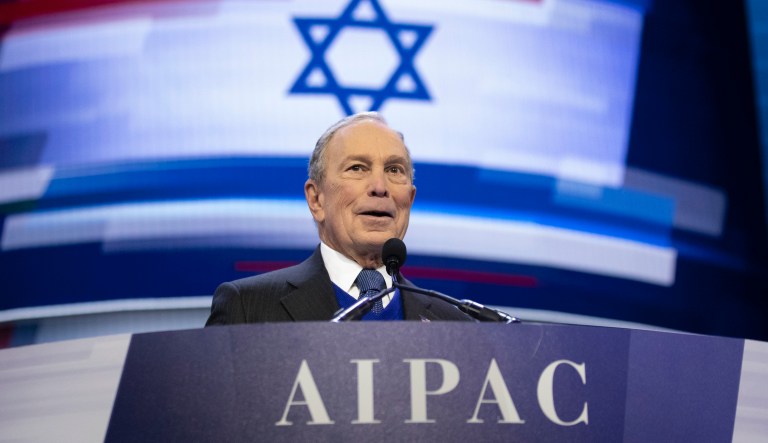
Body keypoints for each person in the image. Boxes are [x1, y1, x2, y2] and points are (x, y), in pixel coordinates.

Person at [205, 112, 473, 324]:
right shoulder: (248, 307)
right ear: (316, 200)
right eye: (357, 168)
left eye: (394, 170)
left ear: (410, 200)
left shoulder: (455, 323)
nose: (380, 187)